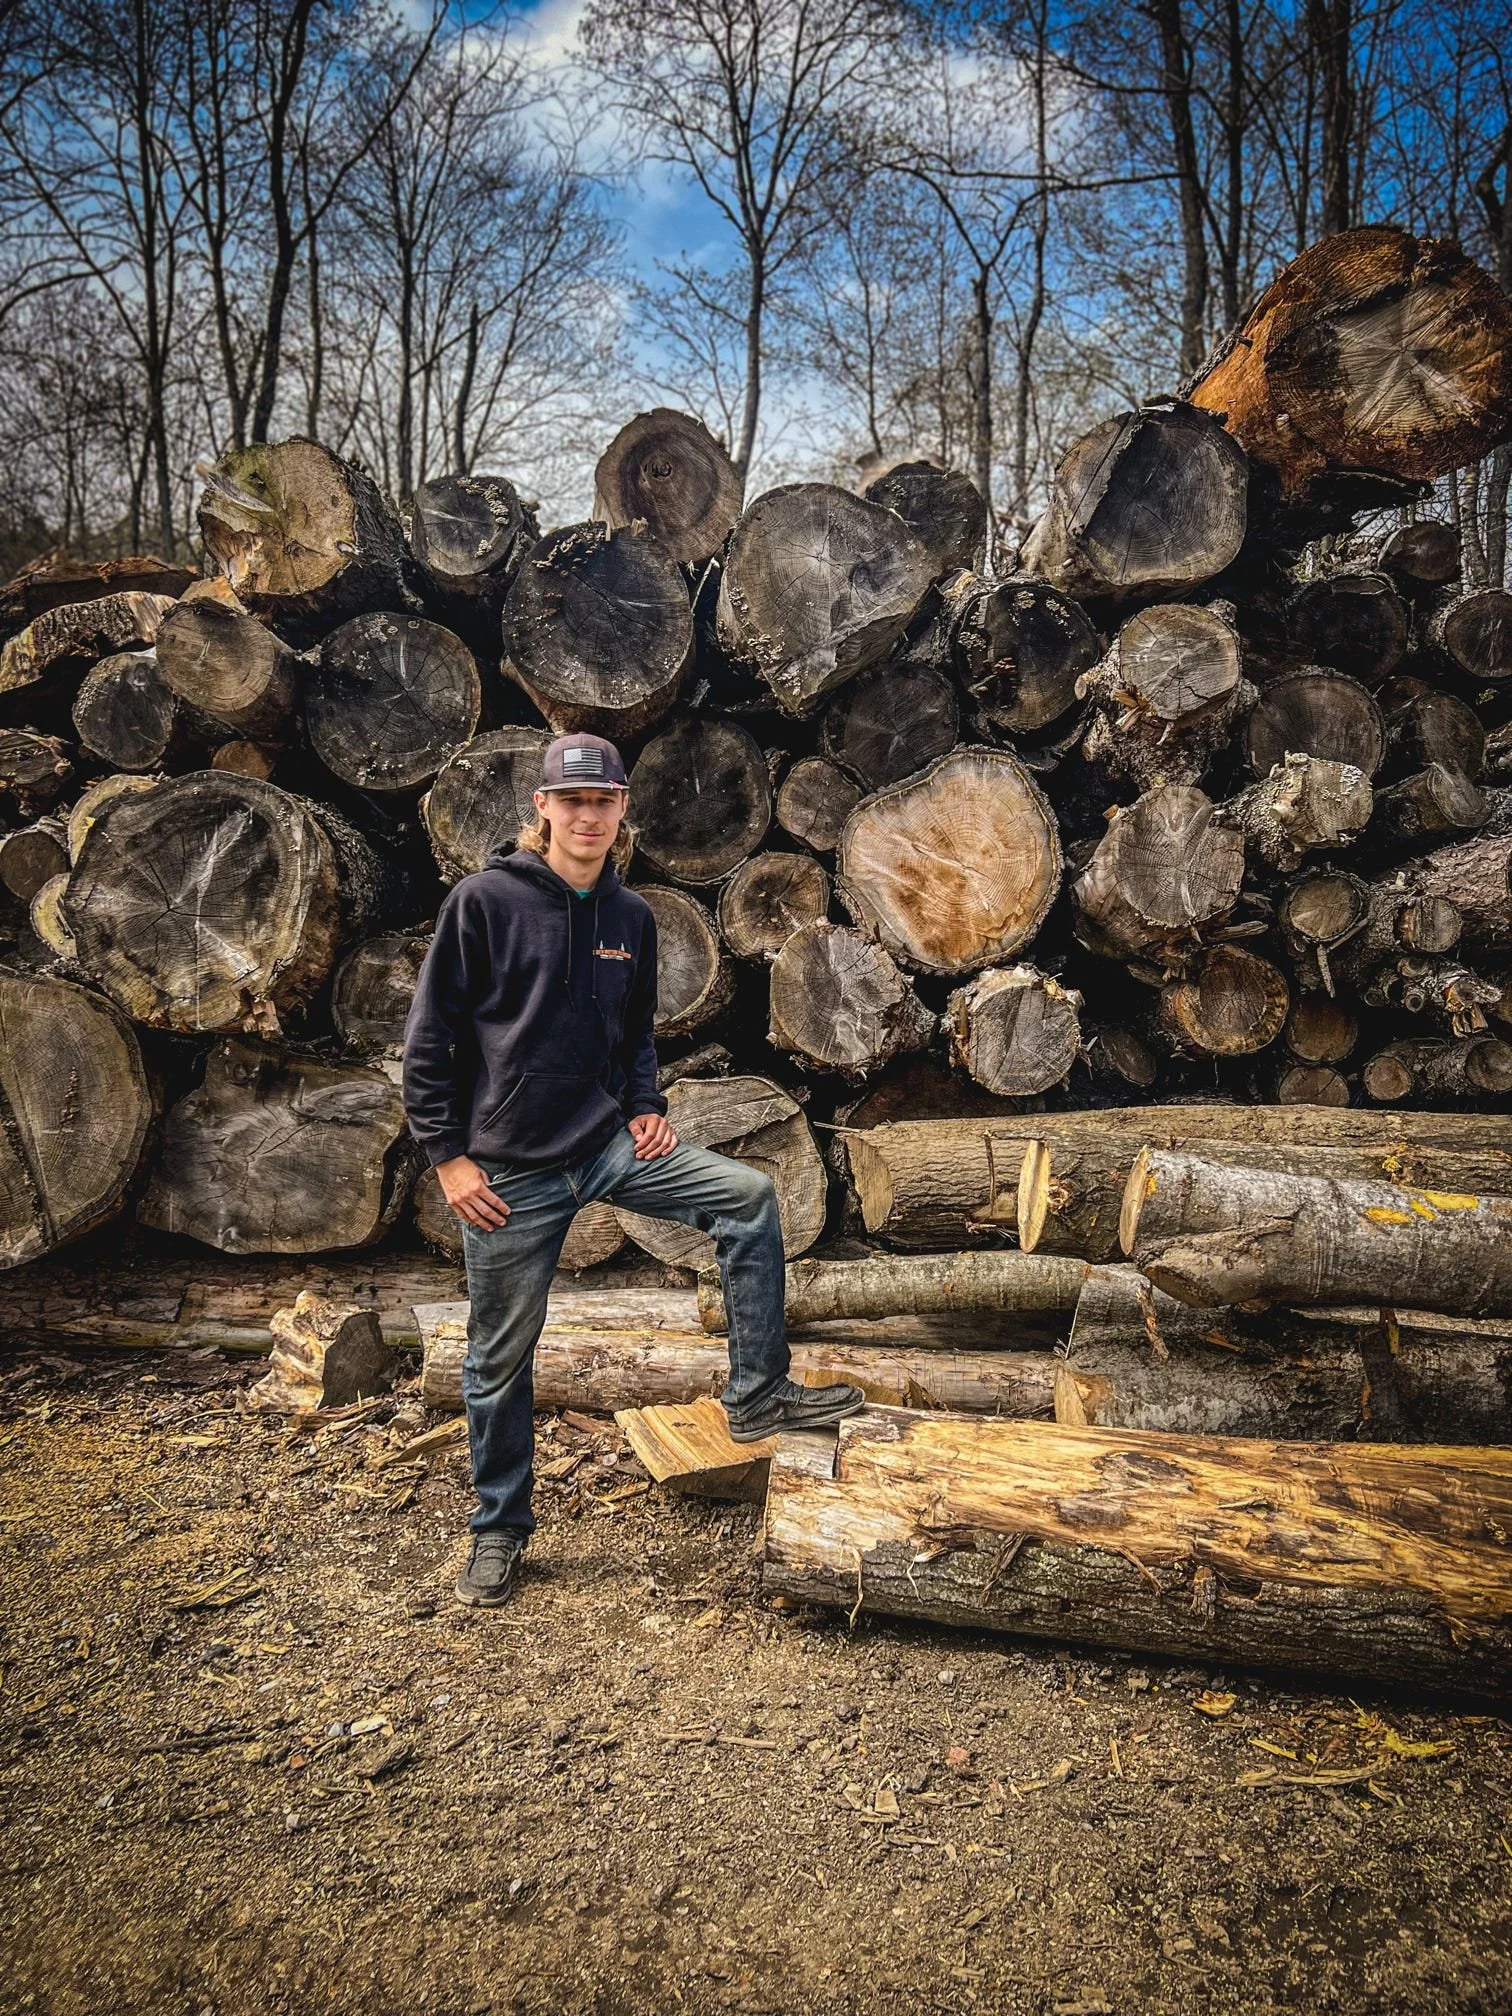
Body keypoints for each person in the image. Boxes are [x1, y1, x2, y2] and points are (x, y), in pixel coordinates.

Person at [402, 731, 865, 1607]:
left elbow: (633, 1039)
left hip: (605, 1146)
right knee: (499, 1358)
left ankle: (758, 1397)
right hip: (508, 1176)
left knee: (749, 1197)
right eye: (570, 801)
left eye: (602, 801)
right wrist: (449, 1159)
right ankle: (499, 1529)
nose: (586, 815)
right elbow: (429, 1042)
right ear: (542, 808)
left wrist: (647, 1107)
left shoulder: (630, 919)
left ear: (622, 811)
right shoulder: (484, 903)